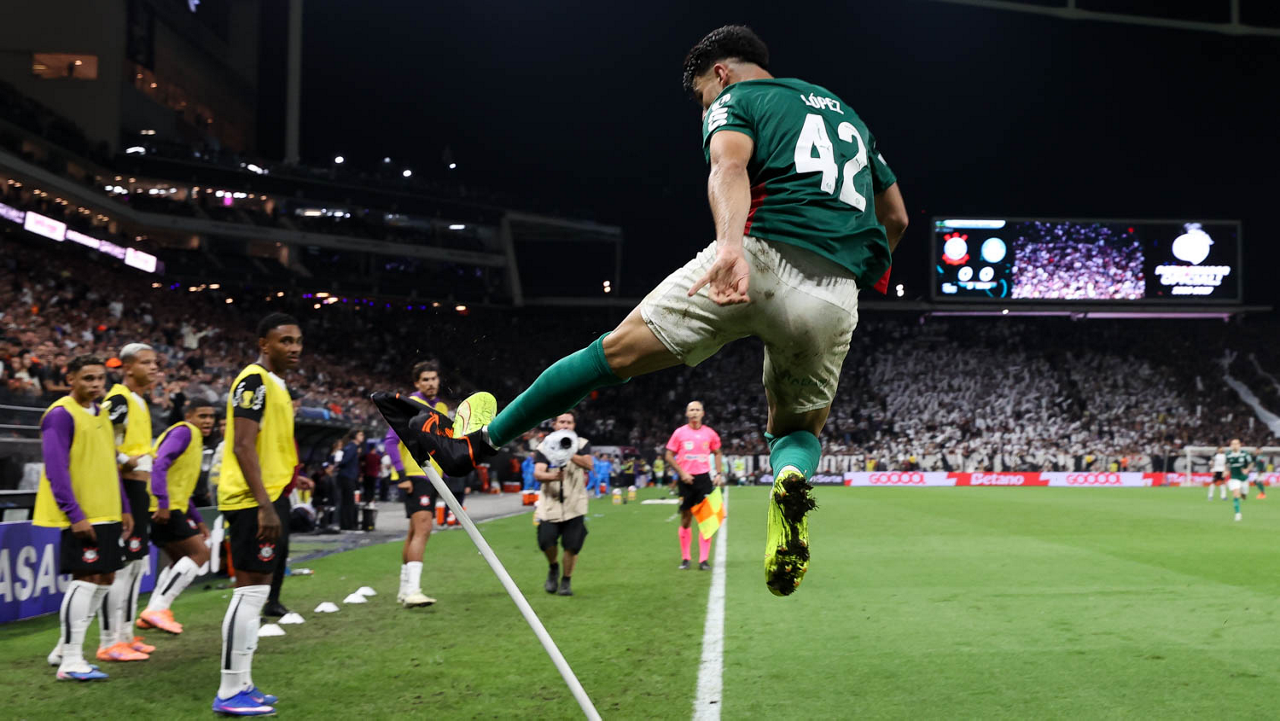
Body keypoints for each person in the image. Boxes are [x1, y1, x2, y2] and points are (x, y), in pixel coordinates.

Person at [375, 25, 908, 597]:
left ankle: (474, 447)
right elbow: (896, 218)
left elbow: (728, 168)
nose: (705, 103)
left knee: (608, 355)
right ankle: (792, 482)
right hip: (835, 292)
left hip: (758, 253)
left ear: (720, 73)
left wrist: (730, 244)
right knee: (796, 428)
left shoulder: (736, 99)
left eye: (702, 93)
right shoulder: (847, 116)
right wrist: (846, 273)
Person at [211, 313, 301, 715]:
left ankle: (243, 681)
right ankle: (229, 690)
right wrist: (265, 505)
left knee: (258, 591)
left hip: (269, 496)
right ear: (264, 343)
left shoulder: (278, 384)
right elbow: (243, 447)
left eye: (298, 341)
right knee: (248, 591)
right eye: (285, 341)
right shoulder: (253, 381)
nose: (294, 347)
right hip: (252, 501)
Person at [37, 355, 135, 680]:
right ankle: (71, 661)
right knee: (85, 579)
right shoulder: (60, 415)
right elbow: (56, 469)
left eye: (99, 379)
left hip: (107, 511)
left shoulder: (103, 414)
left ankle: (66, 647)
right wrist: (75, 514)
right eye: (88, 379)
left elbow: (110, 463)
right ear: (71, 379)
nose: (95, 385)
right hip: (83, 514)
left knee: (106, 579)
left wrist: (123, 506)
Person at [101, 343, 161, 660]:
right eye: (146, 362)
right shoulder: (119, 399)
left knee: (137, 565)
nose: (154, 368)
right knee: (123, 568)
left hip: (139, 491)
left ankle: (125, 634)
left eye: (156, 363)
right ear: (127, 367)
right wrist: (127, 460)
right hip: (123, 488)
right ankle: (110, 640)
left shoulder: (139, 400)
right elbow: (101, 441)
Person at [137, 402, 216, 634]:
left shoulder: (194, 439)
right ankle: (158, 608)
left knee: (178, 559)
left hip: (169, 506)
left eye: (211, 416)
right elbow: (160, 464)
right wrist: (162, 502)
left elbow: (180, 485)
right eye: (202, 415)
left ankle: (152, 612)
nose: (208, 420)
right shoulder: (184, 432)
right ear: (189, 415)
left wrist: (198, 519)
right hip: (161, 507)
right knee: (201, 553)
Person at [382, 361, 450, 609]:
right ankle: (413, 591)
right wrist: (402, 476)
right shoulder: (408, 404)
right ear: (417, 383)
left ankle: (404, 590)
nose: (431, 383)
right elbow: (390, 442)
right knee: (423, 529)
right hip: (415, 476)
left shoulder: (442, 407)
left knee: (414, 532)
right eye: (426, 379)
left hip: (432, 477)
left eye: (434, 378)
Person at [533, 412, 593, 597]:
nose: (565, 425)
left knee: (572, 545)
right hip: (550, 504)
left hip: (575, 504)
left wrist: (570, 451)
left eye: (569, 422)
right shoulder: (544, 447)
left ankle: (566, 581)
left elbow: (588, 465)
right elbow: (538, 473)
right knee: (546, 541)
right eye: (561, 422)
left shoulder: (581, 444)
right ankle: (553, 567)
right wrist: (553, 476)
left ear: (574, 425)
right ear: (554, 424)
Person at [665, 401, 724, 571]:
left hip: (704, 480)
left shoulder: (710, 433)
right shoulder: (679, 433)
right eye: (691, 410)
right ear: (686, 413)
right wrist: (682, 473)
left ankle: (703, 560)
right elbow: (668, 455)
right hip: (686, 480)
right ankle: (686, 558)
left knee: (706, 521)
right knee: (686, 519)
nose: (694, 413)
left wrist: (718, 474)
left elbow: (718, 452)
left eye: (697, 410)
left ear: (703, 413)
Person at [335, 430, 364, 530]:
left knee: (346, 501)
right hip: (347, 477)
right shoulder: (352, 447)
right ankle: (349, 525)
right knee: (349, 502)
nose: (362, 436)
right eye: (360, 434)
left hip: (346, 476)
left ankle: (345, 524)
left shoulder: (351, 447)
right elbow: (344, 461)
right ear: (355, 436)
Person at [1225, 438, 1254, 522]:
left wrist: (1247, 469)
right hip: (1234, 478)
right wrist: (1226, 471)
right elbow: (1226, 465)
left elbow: (1251, 463)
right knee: (1236, 494)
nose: (1234, 445)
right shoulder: (1228, 455)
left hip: (1244, 478)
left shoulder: (1244, 454)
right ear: (1230, 446)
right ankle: (1237, 514)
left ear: (1240, 445)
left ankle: (1243, 495)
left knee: (1244, 495)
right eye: (1233, 444)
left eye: (1236, 444)